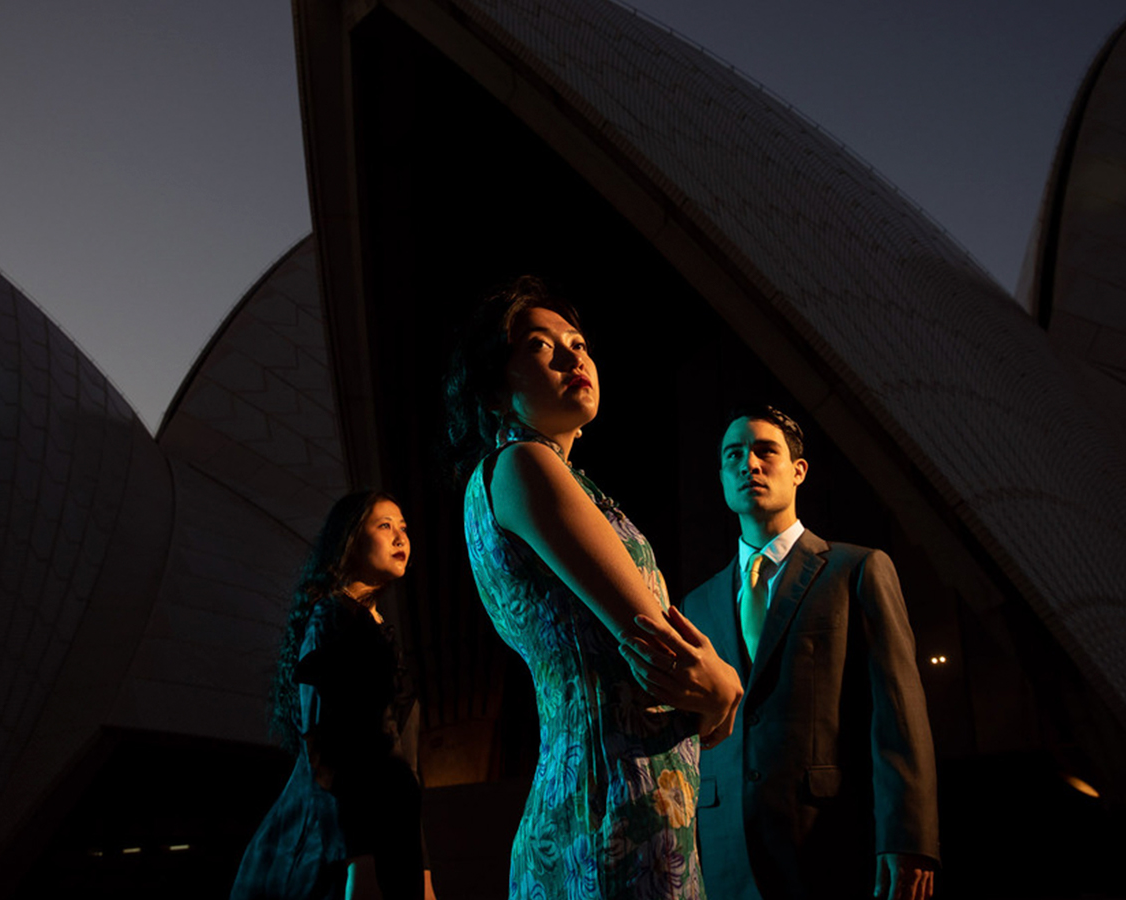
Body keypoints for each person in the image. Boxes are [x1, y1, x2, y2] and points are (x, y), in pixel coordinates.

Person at [446, 276, 743, 899]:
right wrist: (721, 687)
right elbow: (653, 641)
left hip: (608, 799)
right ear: (497, 388)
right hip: (615, 810)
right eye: (538, 346)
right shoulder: (524, 463)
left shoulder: (537, 476)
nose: (572, 355)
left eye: (578, 342)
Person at [623, 406, 939, 900]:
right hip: (722, 845)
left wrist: (908, 836)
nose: (748, 464)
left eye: (764, 450)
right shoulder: (695, 605)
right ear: (722, 478)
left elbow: (897, 713)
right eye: (733, 455)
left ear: (799, 470)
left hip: (831, 836)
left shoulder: (857, 570)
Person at [231, 491, 435, 900]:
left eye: (403, 528)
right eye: (384, 526)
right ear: (350, 541)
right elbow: (327, 749)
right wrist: (357, 861)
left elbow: (402, 769)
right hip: (342, 852)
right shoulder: (332, 619)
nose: (400, 538)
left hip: (389, 844)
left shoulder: (377, 628)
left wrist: (423, 867)